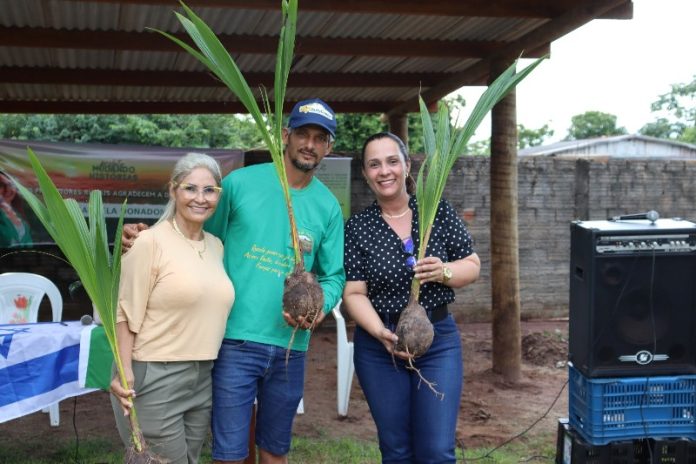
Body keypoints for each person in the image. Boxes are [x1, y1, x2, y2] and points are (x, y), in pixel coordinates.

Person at [121, 98, 345, 464]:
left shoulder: (328, 206)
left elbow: (334, 276)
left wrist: (320, 307)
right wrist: (146, 235)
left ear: (329, 147)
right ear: (285, 136)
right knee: (229, 453)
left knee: (275, 450)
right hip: (234, 341)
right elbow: (193, 233)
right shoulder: (240, 184)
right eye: (303, 134)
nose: (310, 144)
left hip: (291, 345)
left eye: (320, 138)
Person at [342, 132, 481, 463]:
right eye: (374, 164)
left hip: (437, 341)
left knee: (437, 451)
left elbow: (472, 265)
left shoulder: (436, 211)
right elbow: (354, 292)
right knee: (396, 450)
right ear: (365, 173)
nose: (384, 171)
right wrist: (379, 332)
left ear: (407, 165)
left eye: (392, 161)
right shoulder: (357, 227)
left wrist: (443, 271)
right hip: (379, 345)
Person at [110, 153, 235, 463]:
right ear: (173, 190)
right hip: (154, 373)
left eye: (209, 190)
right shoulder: (148, 242)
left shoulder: (216, 245)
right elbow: (124, 311)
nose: (200, 198)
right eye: (190, 188)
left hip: (202, 375)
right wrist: (124, 373)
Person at [0, 171, 32, 248]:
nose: (8, 189)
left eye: (11, 184)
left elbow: (29, 244)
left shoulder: (19, 213)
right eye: (1, 185)